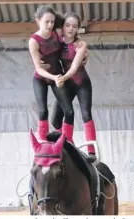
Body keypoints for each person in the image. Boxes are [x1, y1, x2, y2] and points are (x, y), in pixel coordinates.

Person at [28, 5, 87, 142]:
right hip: (42, 78)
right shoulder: (34, 41)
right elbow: (38, 68)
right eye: (46, 22)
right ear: (38, 21)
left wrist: (85, 54)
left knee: (69, 111)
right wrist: (54, 77)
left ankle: (67, 142)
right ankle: (43, 141)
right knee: (43, 111)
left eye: (52, 22)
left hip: (58, 77)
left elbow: (71, 40)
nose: (50, 25)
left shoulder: (57, 34)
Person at [50, 12, 97, 162]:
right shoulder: (57, 42)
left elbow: (75, 66)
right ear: (62, 27)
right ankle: (70, 144)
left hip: (81, 82)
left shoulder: (81, 45)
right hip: (66, 83)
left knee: (85, 114)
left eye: (75, 26)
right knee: (56, 119)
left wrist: (62, 78)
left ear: (78, 29)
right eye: (68, 25)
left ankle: (91, 150)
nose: (71, 29)